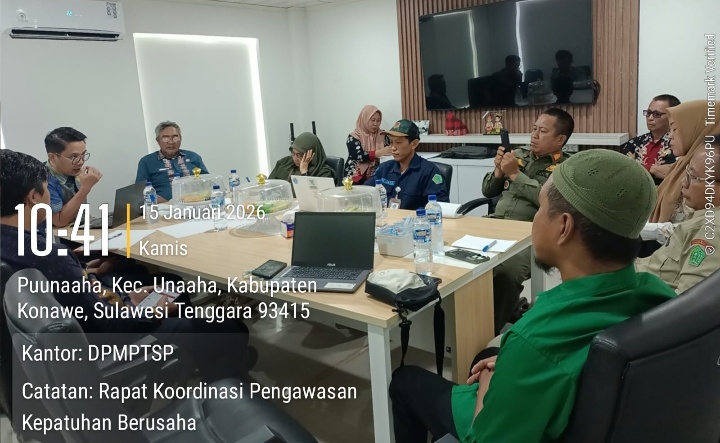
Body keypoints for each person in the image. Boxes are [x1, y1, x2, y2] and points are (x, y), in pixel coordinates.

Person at [389, 149, 676, 443]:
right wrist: (511, 367)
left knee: (404, 381)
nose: (535, 219)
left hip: (500, 426)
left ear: (563, 227)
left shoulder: (533, 341)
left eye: (540, 208)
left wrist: (489, 382)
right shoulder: (661, 297)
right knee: (487, 355)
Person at [1, 149, 250, 382]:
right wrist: (146, 311)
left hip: (72, 338)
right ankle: (224, 386)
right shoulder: (48, 254)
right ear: (33, 197)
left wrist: (122, 295)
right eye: (46, 188)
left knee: (170, 285)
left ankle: (195, 354)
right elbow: (108, 324)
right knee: (232, 328)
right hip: (109, 342)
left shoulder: (14, 245)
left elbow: (79, 297)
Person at [481, 108, 573, 334]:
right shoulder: (518, 155)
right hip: (495, 224)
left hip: (531, 235)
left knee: (507, 271)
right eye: (534, 129)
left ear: (560, 139)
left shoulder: (566, 168)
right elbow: (487, 191)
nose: (534, 135)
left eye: (543, 131)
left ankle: (485, 332)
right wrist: (499, 171)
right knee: (457, 257)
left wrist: (515, 174)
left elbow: (549, 200)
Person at [636, 135, 720, 293]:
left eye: (693, 177)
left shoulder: (712, 230)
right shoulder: (704, 217)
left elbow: (691, 302)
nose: (684, 182)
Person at [650, 101, 719, 224]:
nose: (670, 136)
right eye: (670, 130)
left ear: (697, 130)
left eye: (675, 129)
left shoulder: (706, 168)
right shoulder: (681, 165)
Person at [364, 119, 449, 210]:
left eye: (398, 142)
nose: (393, 148)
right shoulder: (384, 168)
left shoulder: (429, 171)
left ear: (414, 144)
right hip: (386, 218)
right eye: (391, 142)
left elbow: (440, 205)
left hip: (415, 218)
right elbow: (365, 192)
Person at [135, 121, 209, 202]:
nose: (171, 142)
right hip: (164, 207)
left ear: (180, 139)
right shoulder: (147, 162)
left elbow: (208, 182)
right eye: (165, 138)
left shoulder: (193, 157)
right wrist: (166, 203)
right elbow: (141, 193)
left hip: (196, 203)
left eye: (175, 137)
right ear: (158, 141)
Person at [44, 127, 102, 228]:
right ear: (52, 157)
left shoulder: (72, 170)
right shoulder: (44, 180)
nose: (81, 162)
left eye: (83, 155)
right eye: (74, 157)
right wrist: (85, 189)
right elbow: (59, 222)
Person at [622, 94, 681, 185]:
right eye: (648, 113)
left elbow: (680, 175)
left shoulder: (680, 145)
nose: (650, 118)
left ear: (672, 116)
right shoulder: (633, 144)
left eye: (657, 114)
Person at [343, 105, 393, 184]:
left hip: (378, 174)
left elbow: (389, 153)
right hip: (355, 176)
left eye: (378, 120)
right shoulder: (354, 136)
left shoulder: (383, 135)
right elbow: (358, 156)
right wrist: (379, 153)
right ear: (364, 119)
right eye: (372, 120)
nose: (375, 124)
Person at [268, 132, 335, 183]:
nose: (295, 159)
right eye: (293, 153)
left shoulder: (324, 173)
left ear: (312, 154)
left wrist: (304, 172)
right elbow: (269, 186)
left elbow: (311, 195)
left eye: (299, 155)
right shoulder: (284, 163)